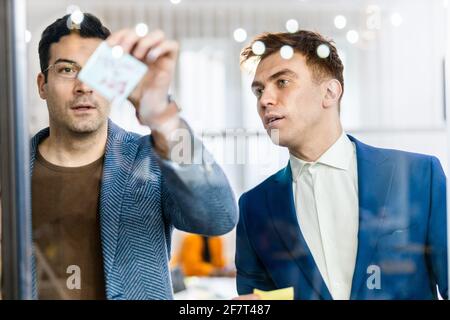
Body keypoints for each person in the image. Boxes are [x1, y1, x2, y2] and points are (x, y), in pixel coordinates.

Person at [31, 13, 237, 300]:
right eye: (67, 70)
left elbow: (219, 216)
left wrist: (163, 119)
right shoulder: (12, 171)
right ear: (43, 84)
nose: (84, 86)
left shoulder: (150, 160)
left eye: (96, 70)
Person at [235, 30, 448, 300]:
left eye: (283, 82)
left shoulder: (420, 177)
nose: (265, 100)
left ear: (330, 92)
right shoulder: (254, 207)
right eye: (259, 91)